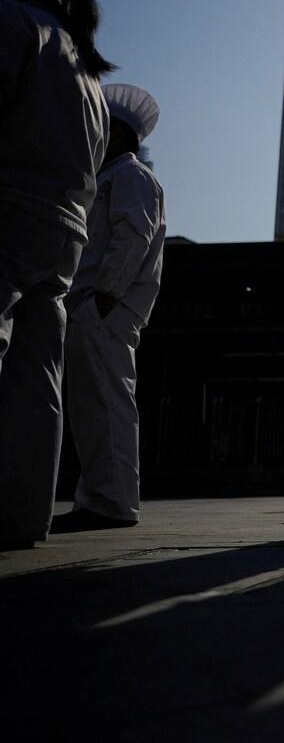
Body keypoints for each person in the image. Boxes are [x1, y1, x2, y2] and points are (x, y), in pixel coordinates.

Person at [0, 0, 113, 549]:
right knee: (37, 372)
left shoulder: (11, 22)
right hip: (63, 232)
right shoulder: (86, 69)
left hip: (10, 206)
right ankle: (22, 516)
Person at [50, 84, 166, 532]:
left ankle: (113, 501)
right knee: (89, 406)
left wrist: (105, 295)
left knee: (107, 403)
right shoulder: (107, 178)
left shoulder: (133, 178)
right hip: (91, 305)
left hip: (107, 307)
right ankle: (97, 496)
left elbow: (133, 237)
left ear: (120, 135)